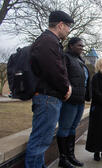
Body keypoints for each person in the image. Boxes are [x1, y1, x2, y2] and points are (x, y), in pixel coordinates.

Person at [25, 11, 74, 168]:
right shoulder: (48, 42)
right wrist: (66, 88)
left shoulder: (49, 41)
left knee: (42, 141)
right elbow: (54, 71)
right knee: (40, 142)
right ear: (60, 25)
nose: (69, 31)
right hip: (47, 98)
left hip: (49, 98)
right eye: (68, 27)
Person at [56, 37, 91, 168]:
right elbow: (62, 77)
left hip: (80, 101)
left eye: (83, 46)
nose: (82, 47)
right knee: (64, 128)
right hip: (69, 101)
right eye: (79, 45)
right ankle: (63, 158)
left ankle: (71, 156)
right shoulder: (65, 58)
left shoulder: (80, 60)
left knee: (72, 128)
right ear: (70, 46)